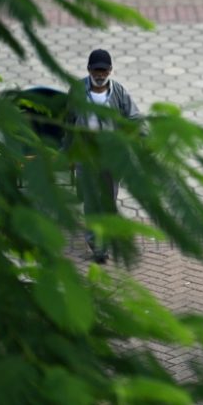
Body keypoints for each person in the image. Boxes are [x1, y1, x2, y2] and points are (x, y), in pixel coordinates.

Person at [64, 49, 142, 263]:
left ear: (110, 70)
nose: (100, 74)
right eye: (96, 69)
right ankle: (97, 246)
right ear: (89, 69)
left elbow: (134, 117)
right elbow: (69, 121)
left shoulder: (118, 92)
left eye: (104, 70)